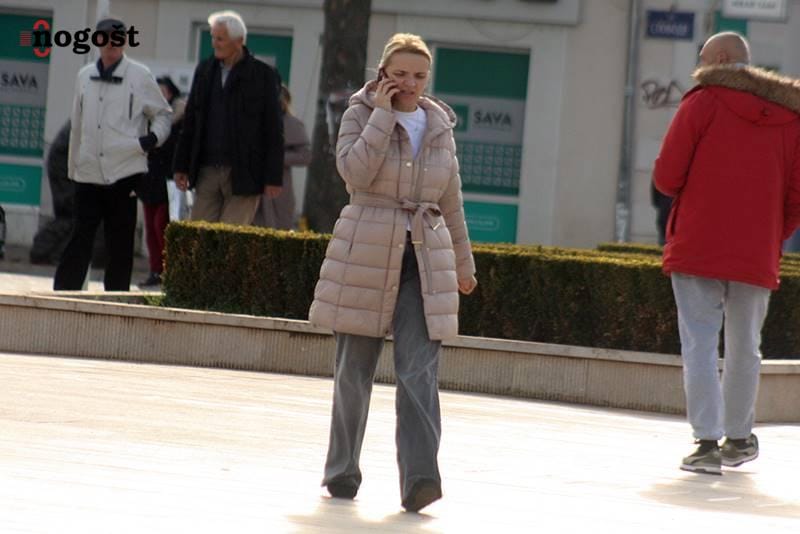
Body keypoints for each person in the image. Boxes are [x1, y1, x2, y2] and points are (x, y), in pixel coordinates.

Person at [308, 33, 478, 512]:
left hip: (425, 261)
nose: (410, 83)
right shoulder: (359, 114)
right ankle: (342, 470)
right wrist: (382, 115)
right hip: (366, 250)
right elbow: (355, 173)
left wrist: (463, 263)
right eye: (400, 73)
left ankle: (421, 479)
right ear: (382, 73)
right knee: (353, 372)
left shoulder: (439, 125)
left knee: (419, 372)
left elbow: (451, 201)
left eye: (419, 75)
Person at [653, 32, 800, 475]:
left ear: (718, 58)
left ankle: (706, 444)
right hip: (756, 251)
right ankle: (739, 438)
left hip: (698, 244)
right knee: (745, 346)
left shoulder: (702, 103)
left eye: (702, 58)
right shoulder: (790, 118)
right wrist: (771, 235)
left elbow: (666, 177)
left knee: (699, 342)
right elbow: (796, 197)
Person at [54, 17, 171, 291]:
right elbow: (77, 124)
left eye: (117, 38)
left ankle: (116, 298)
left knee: (120, 242)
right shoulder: (84, 76)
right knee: (79, 236)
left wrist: (151, 140)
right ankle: (63, 296)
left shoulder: (140, 75)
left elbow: (163, 114)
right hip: (88, 170)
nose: (111, 44)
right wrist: (73, 167)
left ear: (125, 41)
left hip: (125, 169)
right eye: (105, 38)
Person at [173, 10, 283, 225]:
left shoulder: (263, 76)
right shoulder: (204, 71)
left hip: (245, 173)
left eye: (220, 38)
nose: (214, 43)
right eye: (213, 37)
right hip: (207, 169)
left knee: (231, 237)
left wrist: (273, 177)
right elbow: (191, 121)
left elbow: (273, 128)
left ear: (239, 41)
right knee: (200, 235)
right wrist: (181, 165)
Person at [136, 76, 186, 287]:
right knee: (151, 227)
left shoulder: (179, 119)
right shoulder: (145, 117)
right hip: (149, 179)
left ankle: (168, 269)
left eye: (163, 91)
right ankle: (155, 270)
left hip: (169, 181)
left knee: (161, 225)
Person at [253, 84, 310, 229]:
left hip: (279, 185)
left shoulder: (293, 124)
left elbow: (305, 156)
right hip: (253, 183)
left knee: (279, 226)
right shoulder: (253, 120)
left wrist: (275, 157)